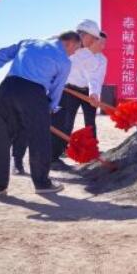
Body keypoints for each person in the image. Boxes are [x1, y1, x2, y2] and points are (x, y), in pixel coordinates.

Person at [0, 31, 81, 196]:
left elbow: (2, 55)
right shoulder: (64, 61)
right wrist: (50, 107)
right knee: (39, 137)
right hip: (34, 93)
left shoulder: (28, 42)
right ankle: (42, 183)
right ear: (69, 43)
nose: (74, 53)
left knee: (1, 137)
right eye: (76, 49)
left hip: (7, 88)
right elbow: (57, 89)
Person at [50, 20, 103, 171]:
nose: (93, 42)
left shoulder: (88, 55)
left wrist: (94, 92)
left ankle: (54, 157)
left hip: (80, 91)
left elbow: (93, 76)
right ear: (83, 35)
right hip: (64, 90)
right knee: (61, 123)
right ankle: (52, 158)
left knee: (67, 125)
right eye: (92, 38)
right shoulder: (58, 43)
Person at [84, 31, 108, 137]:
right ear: (92, 41)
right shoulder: (77, 53)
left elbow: (98, 79)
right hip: (71, 91)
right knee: (66, 121)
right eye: (101, 43)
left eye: (104, 43)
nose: (103, 47)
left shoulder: (102, 59)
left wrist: (95, 93)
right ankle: (61, 146)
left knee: (90, 122)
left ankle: (91, 144)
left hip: (90, 92)